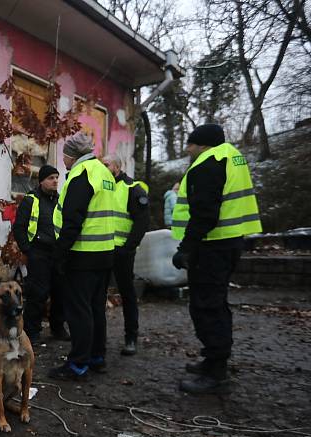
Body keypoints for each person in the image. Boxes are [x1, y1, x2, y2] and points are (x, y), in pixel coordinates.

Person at [171, 124, 262, 394]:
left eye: (190, 143)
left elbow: (205, 213)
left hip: (211, 246)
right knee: (215, 303)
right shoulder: (231, 157)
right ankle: (213, 360)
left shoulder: (207, 165)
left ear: (202, 144)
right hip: (228, 241)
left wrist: (186, 248)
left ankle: (216, 372)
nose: (187, 148)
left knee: (206, 306)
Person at [48, 133, 116, 380]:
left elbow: (73, 220)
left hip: (82, 255)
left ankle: (78, 364)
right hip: (105, 253)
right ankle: (97, 357)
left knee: (79, 311)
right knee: (96, 309)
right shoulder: (104, 173)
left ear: (72, 155)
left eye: (64, 155)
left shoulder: (81, 174)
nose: (63, 160)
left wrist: (60, 255)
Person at [11, 164, 70, 345]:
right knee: (38, 293)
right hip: (38, 252)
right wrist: (27, 249)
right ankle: (32, 331)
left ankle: (57, 327)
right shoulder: (31, 200)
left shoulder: (60, 201)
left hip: (57, 253)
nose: (55, 181)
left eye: (56, 178)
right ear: (42, 181)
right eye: (51, 178)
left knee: (60, 292)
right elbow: (19, 227)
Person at [103, 154, 149, 356]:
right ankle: (98, 340)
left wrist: (128, 247)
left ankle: (131, 337)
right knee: (97, 296)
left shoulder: (132, 189)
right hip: (101, 250)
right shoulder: (101, 186)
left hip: (122, 252)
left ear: (117, 166)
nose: (103, 168)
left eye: (106, 165)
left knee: (128, 294)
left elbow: (141, 222)